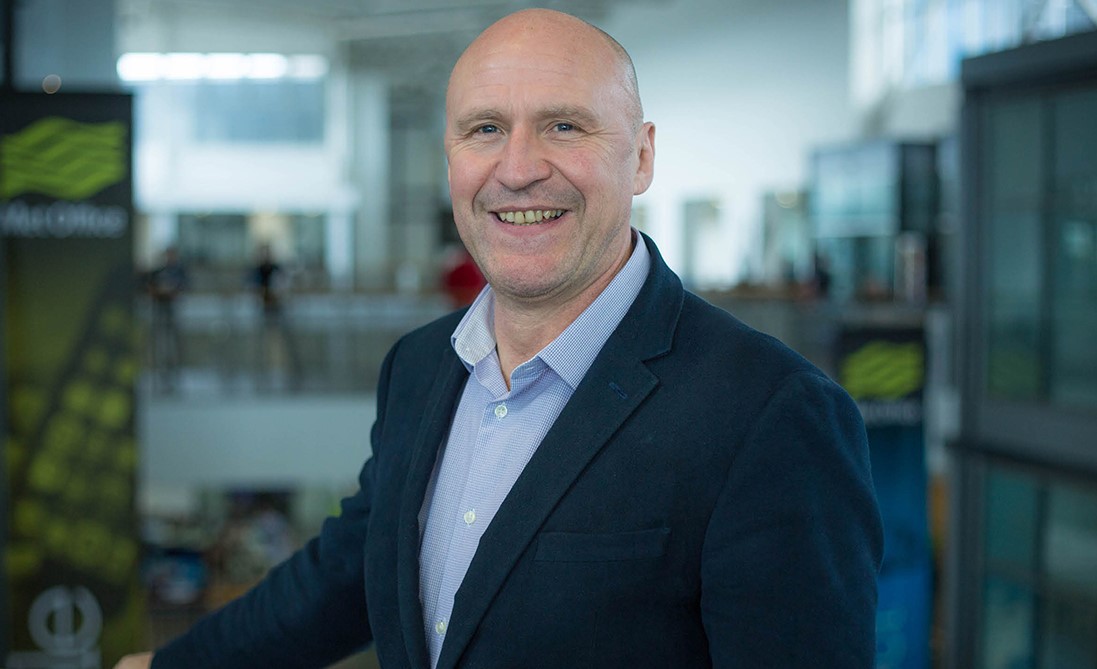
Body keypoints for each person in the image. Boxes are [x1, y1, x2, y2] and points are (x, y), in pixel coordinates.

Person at [117, 9, 881, 669]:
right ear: (449, 156)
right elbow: (349, 572)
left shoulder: (771, 414)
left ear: (641, 155)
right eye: (485, 129)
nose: (517, 170)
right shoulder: (419, 366)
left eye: (563, 125)